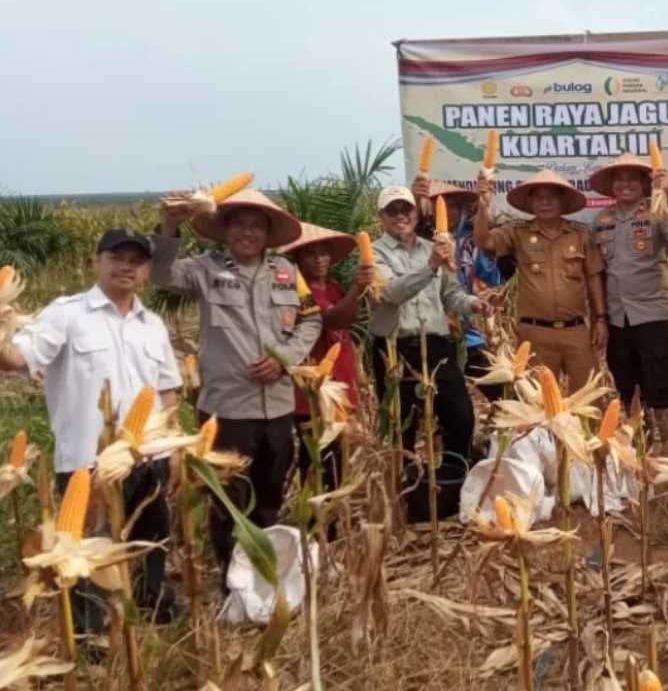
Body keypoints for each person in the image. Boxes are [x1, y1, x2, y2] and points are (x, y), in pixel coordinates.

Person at [0, 229, 183, 629]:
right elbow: (15, 360)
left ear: (146, 271)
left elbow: (167, 390)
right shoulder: (66, 314)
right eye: (116, 258)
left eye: (136, 261)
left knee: (151, 542)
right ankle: (92, 636)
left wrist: (174, 449)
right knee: (83, 553)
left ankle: (153, 611)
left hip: (148, 457)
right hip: (89, 464)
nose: (126, 267)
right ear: (96, 261)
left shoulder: (152, 324)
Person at [152, 189, 319, 573]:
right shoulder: (205, 269)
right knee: (229, 501)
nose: (248, 232)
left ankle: (266, 574)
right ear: (225, 230)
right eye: (239, 224)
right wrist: (169, 226)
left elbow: (311, 318)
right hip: (228, 410)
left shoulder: (286, 271)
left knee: (270, 496)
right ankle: (232, 578)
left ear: (268, 233)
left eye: (256, 226)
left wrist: (285, 359)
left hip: (278, 407)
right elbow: (161, 274)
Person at [367, 185, 489, 522]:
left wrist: (475, 304)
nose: (400, 216)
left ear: (415, 213)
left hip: (436, 344)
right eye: (392, 210)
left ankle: (451, 485)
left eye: (405, 209)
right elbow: (390, 293)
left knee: (460, 415)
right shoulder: (372, 254)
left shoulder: (432, 249)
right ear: (381, 217)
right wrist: (431, 265)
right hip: (395, 350)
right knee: (400, 426)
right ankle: (404, 499)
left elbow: (451, 295)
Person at [473, 169, 607, 393]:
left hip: (575, 331)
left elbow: (594, 277)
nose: (545, 203)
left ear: (563, 202)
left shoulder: (581, 234)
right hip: (534, 333)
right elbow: (483, 241)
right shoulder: (517, 232)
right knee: (538, 401)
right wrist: (483, 206)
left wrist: (600, 319)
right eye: (539, 198)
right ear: (530, 203)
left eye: (551, 197)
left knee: (590, 397)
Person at [587, 153, 668, 435]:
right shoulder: (602, 220)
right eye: (619, 179)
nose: (625, 184)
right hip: (616, 316)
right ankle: (639, 439)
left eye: (632, 178)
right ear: (612, 186)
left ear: (644, 184)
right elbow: (596, 271)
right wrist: (599, 317)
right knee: (625, 379)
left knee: (660, 378)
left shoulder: (656, 212)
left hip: (651, 312)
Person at [279, 223, 374, 493]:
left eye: (323, 253)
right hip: (313, 395)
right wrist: (357, 288)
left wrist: (357, 375)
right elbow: (333, 319)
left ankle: (331, 514)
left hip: (340, 389)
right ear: (297, 259)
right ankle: (316, 516)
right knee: (317, 462)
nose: (319, 260)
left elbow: (347, 327)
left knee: (337, 462)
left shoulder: (333, 288)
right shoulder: (297, 293)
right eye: (311, 254)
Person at [412, 178, 513, 402]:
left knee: (502, 392)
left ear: (462, 210)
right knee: (436, 400)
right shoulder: (417, 242)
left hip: (464, 331)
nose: (447, 212)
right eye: (440, 206)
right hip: (427, 332)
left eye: (452, 206)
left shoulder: (470, 242)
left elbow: (492, 275)